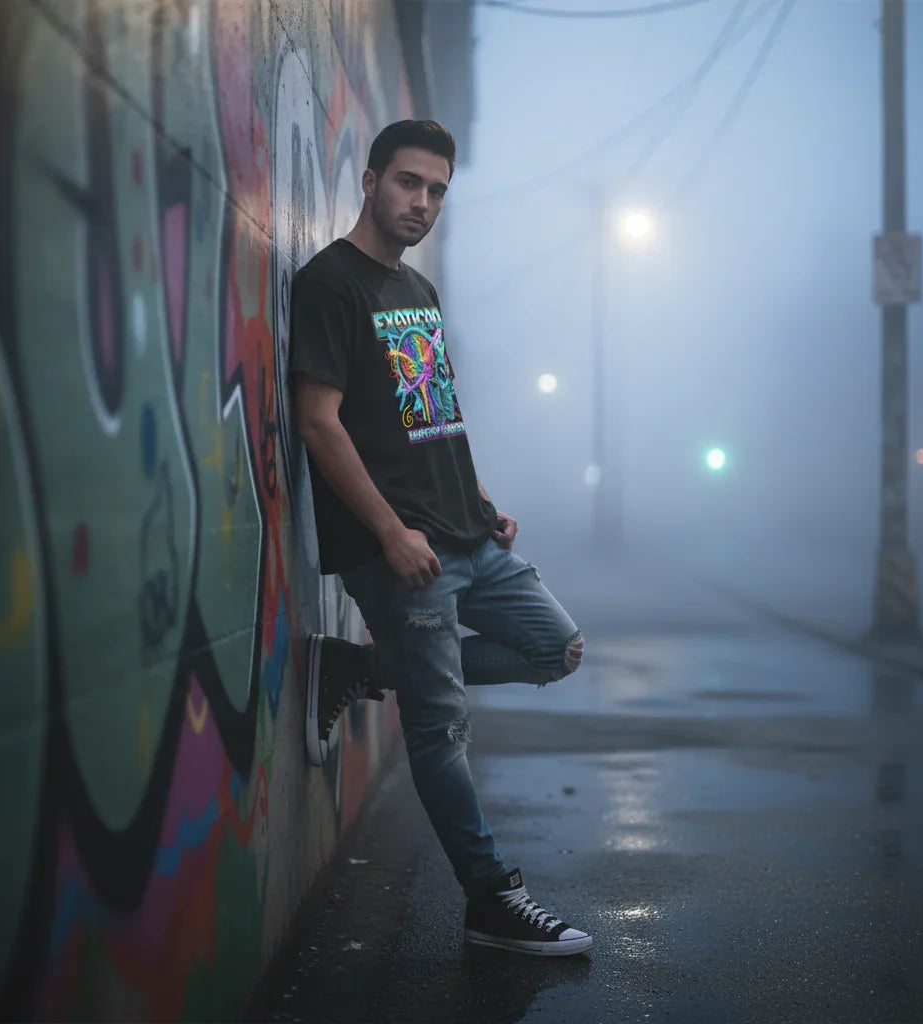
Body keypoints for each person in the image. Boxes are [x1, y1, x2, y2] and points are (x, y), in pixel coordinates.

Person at [290, 120, 591, 957]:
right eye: (408, 183)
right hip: (401, 552)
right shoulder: (330, 285)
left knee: (555, 649)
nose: (422, 202)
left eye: (436, 190)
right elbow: (319, 424)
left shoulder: (414, 292)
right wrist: (390, 533)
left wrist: (481, 498)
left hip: (467, 535)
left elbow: (431, 421)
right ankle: (490, 899)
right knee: (440, 727)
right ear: (370, 180)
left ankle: (362, 669)